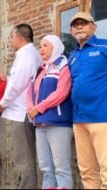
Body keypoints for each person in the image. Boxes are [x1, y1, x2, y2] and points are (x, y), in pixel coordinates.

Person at [0, 23, 41, 189]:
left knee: (23, 157)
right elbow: (21, 81)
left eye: (12, 37)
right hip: (22, 111)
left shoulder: (25, 55)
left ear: (19, 38)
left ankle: (28, 187)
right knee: (24, 156)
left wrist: (2, 104)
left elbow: (17, 85)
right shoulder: (30, 54)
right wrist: (6, 78)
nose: (11, 40)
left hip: (20, 114)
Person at [27, 34, 73, 188]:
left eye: (45, 45)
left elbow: (62, 92)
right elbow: (30, 93)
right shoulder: (39, 70)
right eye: (40, 46)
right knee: (46, 169)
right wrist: (30, 109)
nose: (41, 49)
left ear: (56, 46)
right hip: (40, 124)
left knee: (62, 169)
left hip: (58, 123)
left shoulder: (62, 65)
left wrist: (38, 108)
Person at [68, 12, 107, 189]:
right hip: (79, 119)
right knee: (86, 170)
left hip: (102, 116)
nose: (79, 27)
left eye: (84, 23)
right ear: (71, 30)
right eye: (76, 25)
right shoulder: (72, 55)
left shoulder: (104, 47)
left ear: (94, 26)